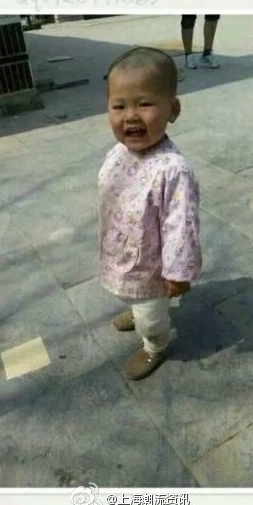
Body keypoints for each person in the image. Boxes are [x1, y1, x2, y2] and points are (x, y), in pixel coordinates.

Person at [98, 47, 202, 380]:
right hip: (123, 254)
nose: (130, 116)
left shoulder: (173, 171)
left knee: (152, 317)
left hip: (152, 271)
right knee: (131, 295)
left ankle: (154, 344)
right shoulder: (118, 153)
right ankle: (137, 308)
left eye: (144, 104)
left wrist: (178, 273)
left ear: (173, 109)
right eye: (119, 106)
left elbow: (181, 227)